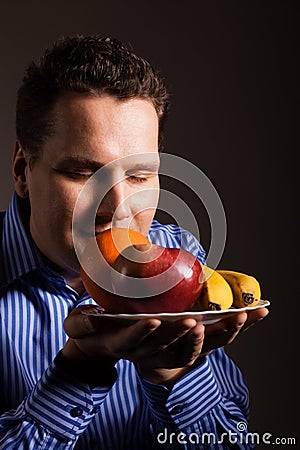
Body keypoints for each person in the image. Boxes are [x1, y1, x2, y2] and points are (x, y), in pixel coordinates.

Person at [0, 35, 268, 449]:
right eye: (85, 173)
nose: (120, 207)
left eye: (140, 177)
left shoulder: (181, 261)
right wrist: (80, 371)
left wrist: (172, 373)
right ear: (22, 170)